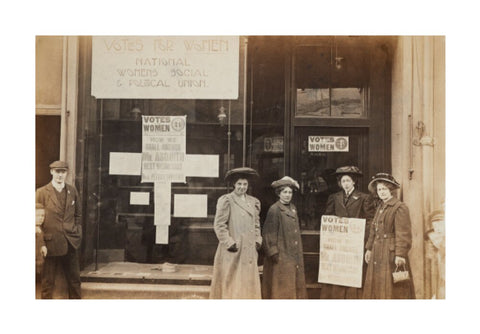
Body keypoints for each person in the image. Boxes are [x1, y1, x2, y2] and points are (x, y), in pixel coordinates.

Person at [320, 166, 375, 299]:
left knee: (353, 273)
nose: (345, 184)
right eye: (343, 181)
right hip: (339, 244)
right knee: (339, 272)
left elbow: (370, 220)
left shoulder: (363, 198)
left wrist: (362, 236)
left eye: (348, 181)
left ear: (354, 182)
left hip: (355, 243)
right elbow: (329, 217)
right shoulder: (334, 197)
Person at [209, 167, 262, 299]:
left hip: (249, 250)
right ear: (234, 184)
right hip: (233, 249)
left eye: (245, 184)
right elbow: (219, 225)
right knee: (232, 284)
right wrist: (229, 243)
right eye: (239, 184)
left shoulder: (253, 202)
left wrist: (257, 240)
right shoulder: (227, 200)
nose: (242, 187)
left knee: (248, 285)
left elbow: (256, 224)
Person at [363, 173, 415, 299]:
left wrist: (400, 255)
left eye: (384, 189)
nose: (382, 192)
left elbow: (403, 234)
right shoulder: (380, 207)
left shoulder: (399, 207)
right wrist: (369, 249)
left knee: (391, 289)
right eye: (379, 189)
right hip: (377, 251)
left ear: (391, 190)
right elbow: (373, 231)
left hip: (390, 254)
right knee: (377, 286)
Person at [35, 160, 83, 299]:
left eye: (63, 172)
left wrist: (77, 231)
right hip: (50, 244)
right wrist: (42, 243)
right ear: (51, 172)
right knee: (47, 283)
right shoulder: (42, 192)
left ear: (67, 173)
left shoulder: (72, 191)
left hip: (70, 242)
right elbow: (35, 220)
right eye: (57, 172)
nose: (60, 175)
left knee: (74, 282)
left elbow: (78, 215)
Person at [262, 176, 307, 299]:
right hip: (281, 255)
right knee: (282, 288)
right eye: (285, 192)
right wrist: (274, 253)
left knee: (293, 285)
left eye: (290, 192)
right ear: (279, 194)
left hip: (293, 254)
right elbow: (268, 233)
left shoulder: (292, 208)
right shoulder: (275, 209)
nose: (287, 195)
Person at [35, 203, 48, 282]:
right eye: (37, 215)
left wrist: (43, 245)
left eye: (42, 216)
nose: (40, 218)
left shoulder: (39, 229)